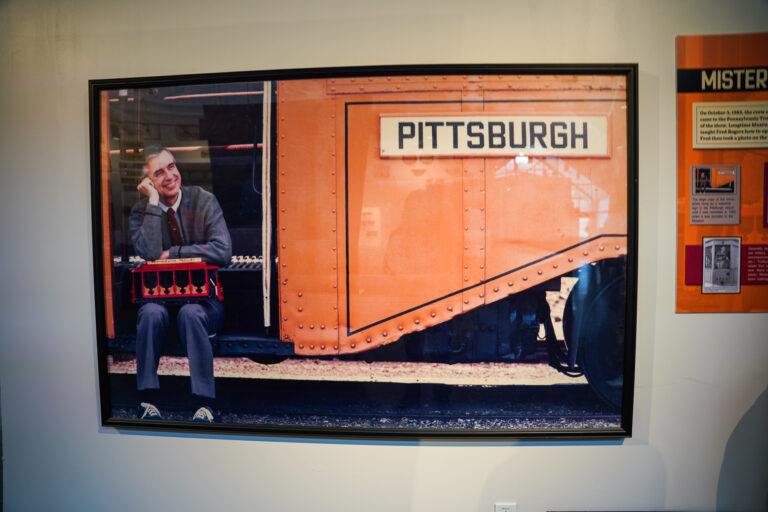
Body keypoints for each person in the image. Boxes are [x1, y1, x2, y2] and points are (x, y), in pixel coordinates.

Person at [129, 145, 232, 422]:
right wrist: (153, 203)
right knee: (149, 313)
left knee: (191, 313)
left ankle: (205, 403)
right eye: (159, 173)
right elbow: (149, 251)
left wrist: (173, 253)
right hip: (160, 302)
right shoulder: (141, 212)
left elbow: (223, 251)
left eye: (171, 167)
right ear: (149, 182)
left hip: (203, 303)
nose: (169, 176)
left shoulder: (204, 200)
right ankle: (148, 400)